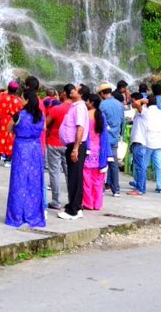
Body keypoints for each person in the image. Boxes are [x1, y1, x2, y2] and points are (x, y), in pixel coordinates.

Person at [5, 90, 47, 229]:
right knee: (34, 181)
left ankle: (16, 215)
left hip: (21, 148)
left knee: (18, 180)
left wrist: (19, 133)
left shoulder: (19, 115)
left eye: (22, 98)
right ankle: (33, 214)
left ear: (27, 100)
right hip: (35, 148)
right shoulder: (40, 115)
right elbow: (44, 128)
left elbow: (8, 128)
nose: (21, 100)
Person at [57, 84, 90, 219]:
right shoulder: (76, 106)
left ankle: (73, 210)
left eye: (75, 89)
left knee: (74, 178)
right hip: (74, 145)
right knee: (74, 176)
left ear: (80, 94)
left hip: (76, 146)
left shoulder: (80, 108)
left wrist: (75, 148)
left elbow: (80, 128)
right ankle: (77, 206)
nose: (72, 90)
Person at [45, 85, 72, 210]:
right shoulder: (76, 109)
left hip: (54, 143)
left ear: (64, 94)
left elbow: (45, 124)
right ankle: (72, 200)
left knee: (54, 173)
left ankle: (56, 201)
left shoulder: (56, 108)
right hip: (69, 145)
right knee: (69, 173)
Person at [83, 94, 109, 210]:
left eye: (87, 101)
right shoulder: (101, 115)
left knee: (86, 179)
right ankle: (97, 203)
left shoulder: (86, 115)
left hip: (88, 150)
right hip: (100, 151)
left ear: (92, 102)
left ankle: (88, 202)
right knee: (98, 180)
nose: (86, 102)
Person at [98, 84, 125, 197]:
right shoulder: (119, 104)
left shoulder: (102, 105)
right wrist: (120, 135)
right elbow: (123, 121)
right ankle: (116, 190)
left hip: (104, 138)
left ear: (102, 93)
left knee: (101, 163)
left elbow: (99, 122)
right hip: (115, 138)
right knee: (114, 165)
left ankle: (100, 188)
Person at [0, 83, 25, 165]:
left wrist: (4, 92)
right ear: (16, 90)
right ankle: (8, 159)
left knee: (0, 138)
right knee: (10, 139)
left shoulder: (1, 97)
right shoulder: (19, 100)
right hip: (13, 120)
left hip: (3, 120)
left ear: (8, 89)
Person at [127, 93, 151, 195]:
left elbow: (140, 102)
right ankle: (139, 186)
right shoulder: (138, 113)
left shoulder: (144, 111)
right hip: (136, 143)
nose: (131, 103)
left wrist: (139, 101)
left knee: (140, 167)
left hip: (140, 143)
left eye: (132, 101)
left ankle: (140, 189)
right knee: (138, 166)